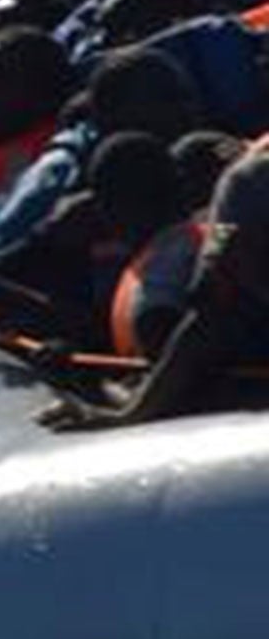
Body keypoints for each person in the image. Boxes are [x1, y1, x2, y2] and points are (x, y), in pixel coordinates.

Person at [44, 136, 269, 427]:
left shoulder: (247, 183)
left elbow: (212, 309)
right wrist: (132, 411)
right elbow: (212, 306)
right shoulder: (248, 183)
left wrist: (130, 409)